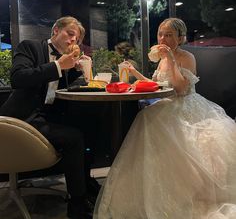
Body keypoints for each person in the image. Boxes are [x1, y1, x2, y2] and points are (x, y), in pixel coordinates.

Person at [93, 18, 236, 219]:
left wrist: (170, 58)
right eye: (161, 34)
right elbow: (156, 85)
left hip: (185, 104)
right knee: (146, 116)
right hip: (165, 104)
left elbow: (180, 88)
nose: (163, 38)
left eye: (169, 35)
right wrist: (134, 73)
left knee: (148, 117)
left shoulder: (187, 57)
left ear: (180, 37)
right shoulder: (161, 59)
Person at [0, 16, 95, 219]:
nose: (73, 41)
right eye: (70, 34)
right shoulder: (31, 47)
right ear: (55, 31)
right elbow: (18, 78)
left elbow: (54, 89)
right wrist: (59, 66)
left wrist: (76, 71)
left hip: (46, 116)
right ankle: (77, 205)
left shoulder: (65, 61)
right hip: (21, 119)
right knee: (74, 138)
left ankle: (87, 186)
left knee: (88, 126)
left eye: (76, 39)